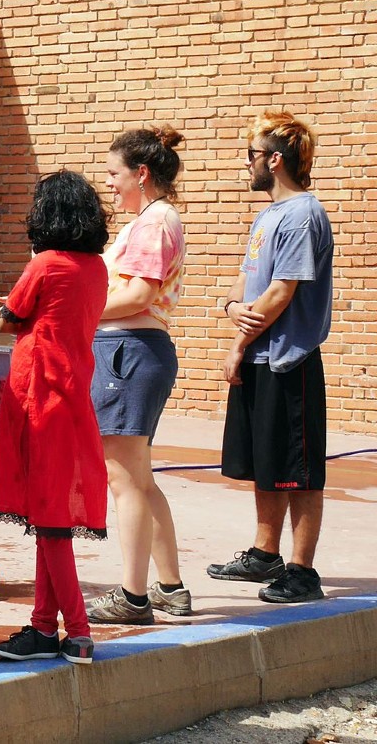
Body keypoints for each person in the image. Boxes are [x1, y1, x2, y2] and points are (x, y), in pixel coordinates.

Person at [0, 170, 110, 666]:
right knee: (48, 516)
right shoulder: (97, 268)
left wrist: (12, 316)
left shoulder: (45, 263)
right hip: (72, 396)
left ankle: (76, 631)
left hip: (39, 399)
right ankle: (42, 626)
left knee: (52, 522)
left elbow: (14, 314)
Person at [209, 112, 334, 604]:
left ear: (275, 160)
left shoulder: (304, 214)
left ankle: (303, 572)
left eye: (252, 155)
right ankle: (266, 554)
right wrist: (231, 307)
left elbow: (282, 290)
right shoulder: (267, 216)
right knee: (266, 463)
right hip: (262, 358)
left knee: (297, 468)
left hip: (290, 360)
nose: (248, 165)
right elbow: (250, 278)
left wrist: (238, 343)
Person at [86, 126, 190, 625]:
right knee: (139, 479)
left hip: (128, 351)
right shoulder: (153, 219)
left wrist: (77, 313)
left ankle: (133, 596)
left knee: (123, 479)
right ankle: (169, 587)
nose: (109, 184)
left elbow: (137, 295)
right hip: (134, 350)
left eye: (114, 174)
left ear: (141, 174)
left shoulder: (153, 222)